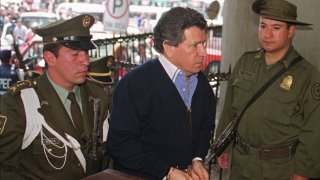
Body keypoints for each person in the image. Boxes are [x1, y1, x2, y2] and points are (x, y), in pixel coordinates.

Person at [107, 7, 216, 180]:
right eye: (195, 45)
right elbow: (120, 142)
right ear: (169, 47)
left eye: (204, 44)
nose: (203, 53)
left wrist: (197, 159)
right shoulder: (135, 83)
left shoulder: (202, 83)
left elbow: (205, 127)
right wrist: (166, 171)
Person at [216, 0, 320, 179]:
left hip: (279, 170)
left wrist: (302, 172)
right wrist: (223, 146)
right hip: (241, 165)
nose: (267, 34)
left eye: (276, 27)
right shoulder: (245, 62)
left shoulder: (307, 75)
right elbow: (229, 109)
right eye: (263, 26)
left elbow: (313, 130)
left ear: (291, 31)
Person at [0, 14, 109, 179]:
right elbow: (4, 168)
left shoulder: (97, 94)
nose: (85, 61)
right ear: (50, 58)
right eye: (75, 54)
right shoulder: (22, 102)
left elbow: (108, 154)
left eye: (86, 53)